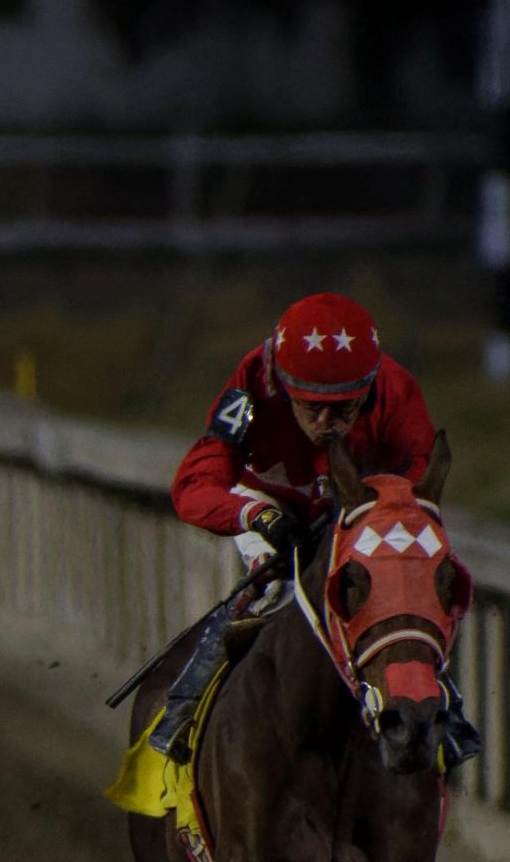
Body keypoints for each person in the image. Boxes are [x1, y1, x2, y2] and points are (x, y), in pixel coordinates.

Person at [149, 290, 480, 764]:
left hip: (362, 505)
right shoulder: (252, 383)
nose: (328, 424)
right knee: (270, 590)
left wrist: (384, 530)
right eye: (311, 407)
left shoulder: (396, 388)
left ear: (369, 385)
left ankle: (444, 704)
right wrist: (257, 517)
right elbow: (195, 484)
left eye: (345, 408)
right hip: (271, 502)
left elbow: (419, 478)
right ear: (282, 385)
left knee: (409, 590)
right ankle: (184, 708)